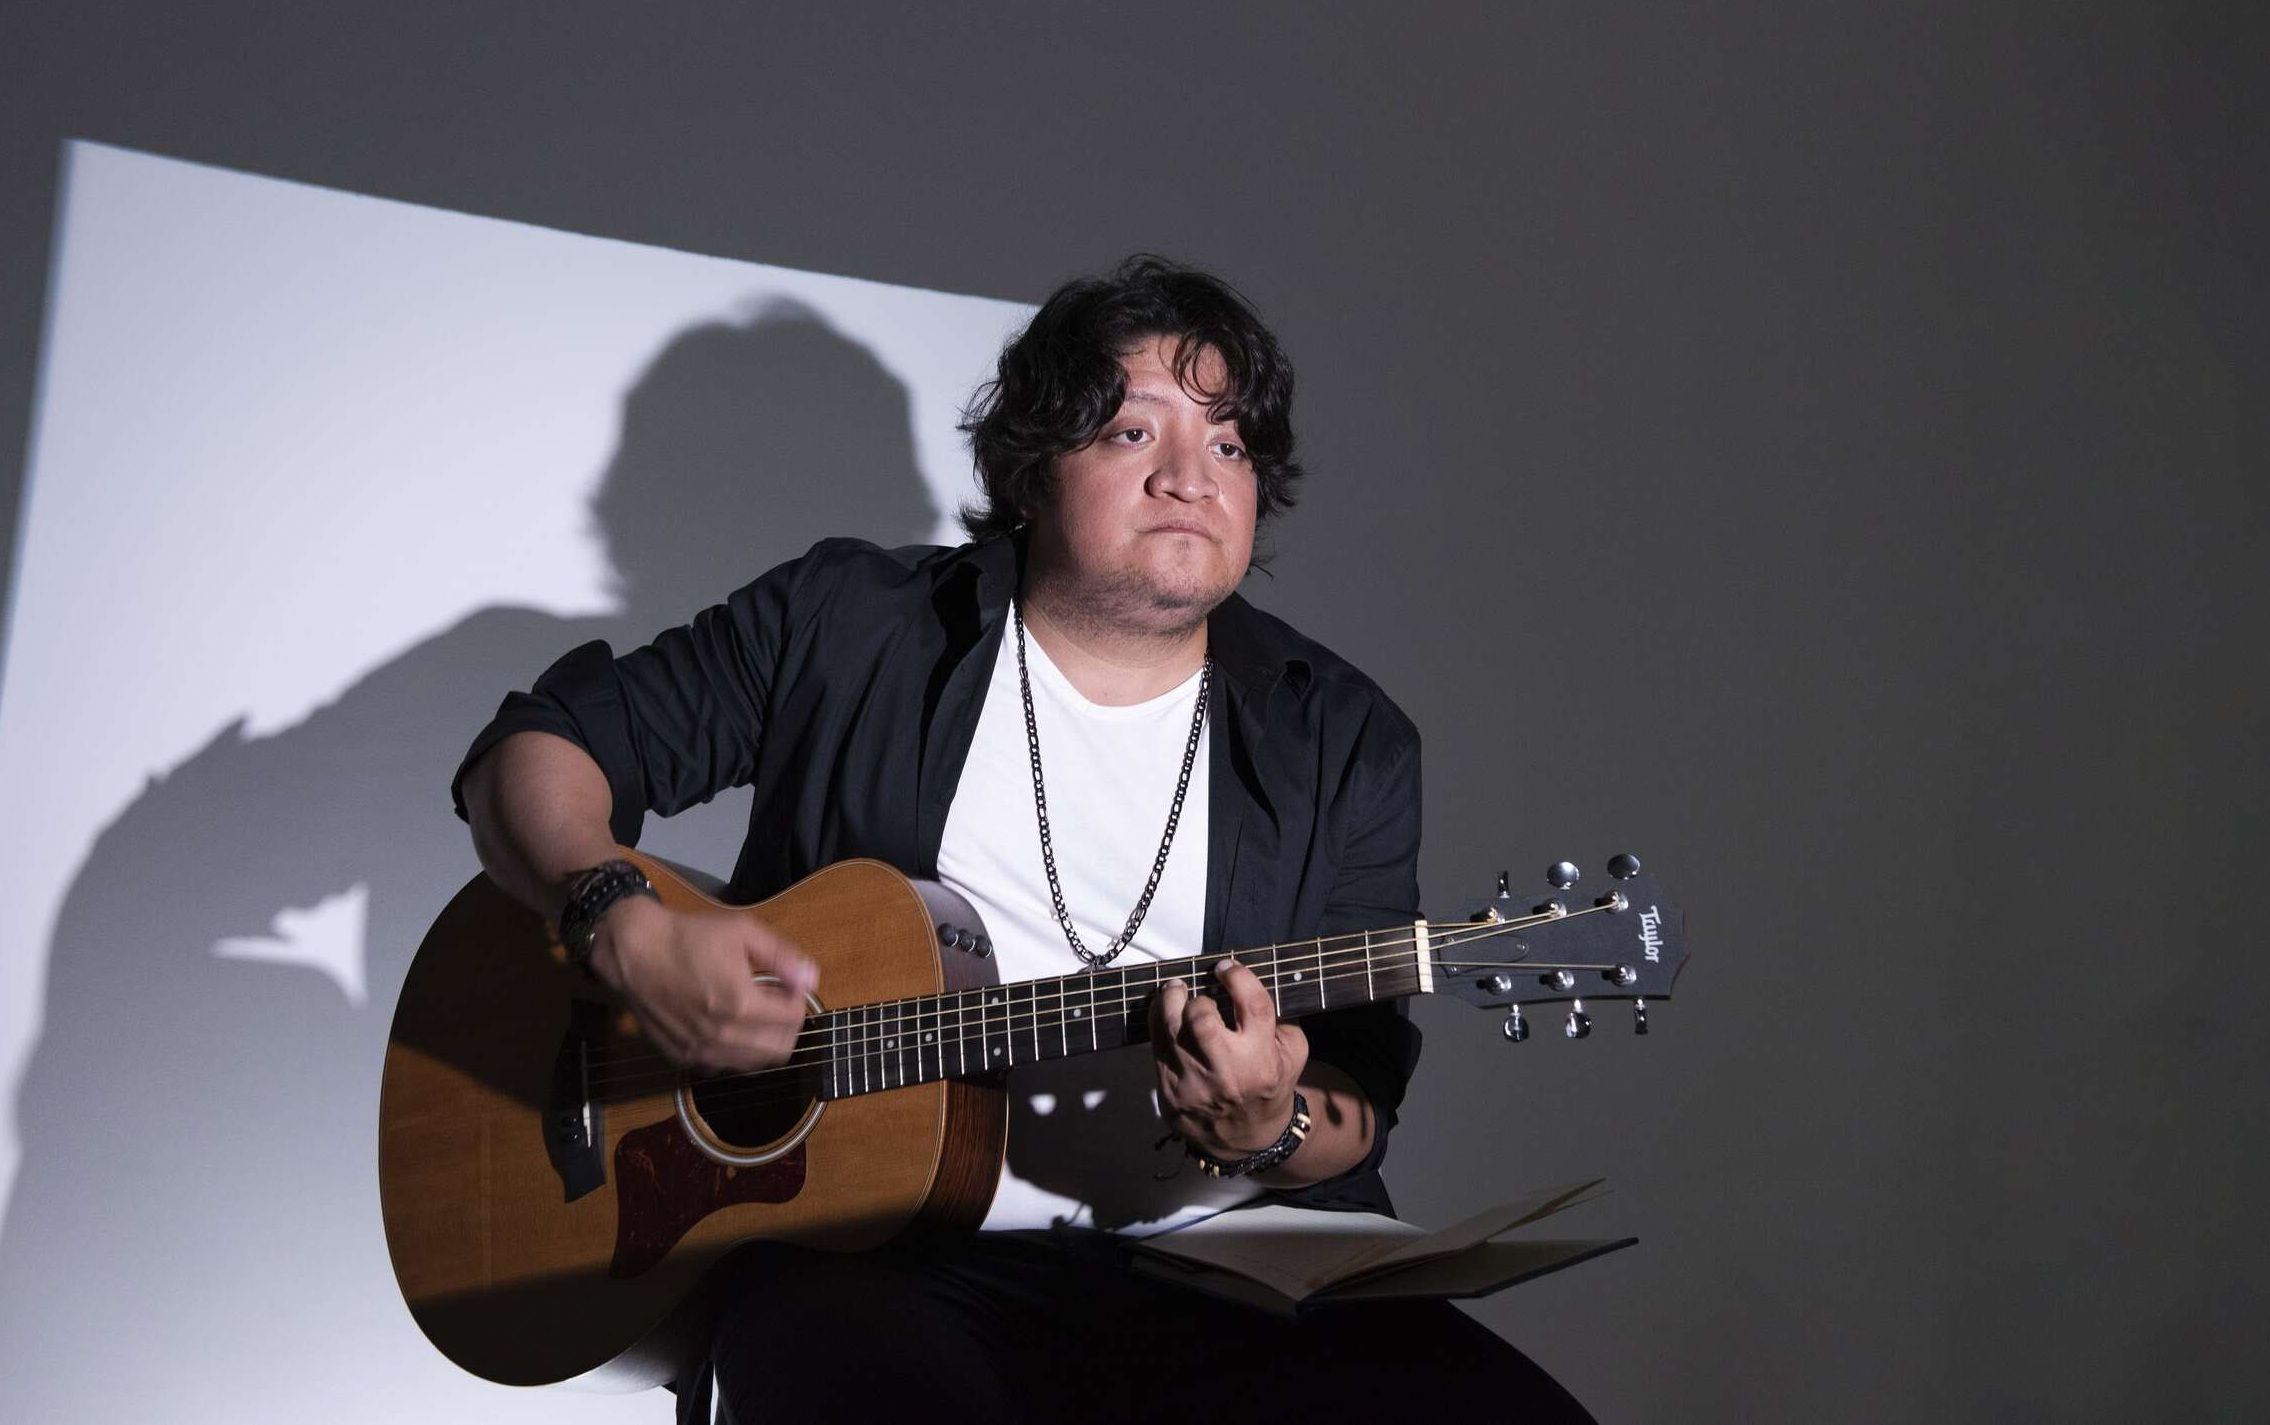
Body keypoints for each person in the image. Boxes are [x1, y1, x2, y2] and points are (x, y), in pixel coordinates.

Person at [454, 256, 1592, 1423]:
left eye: (1228, 444)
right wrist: (621, 924)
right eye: (1132, 433)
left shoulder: (1345, 740)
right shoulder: (849, 624)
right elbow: (537, 753)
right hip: (875, 1261)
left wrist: (1272, 1124)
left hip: (1228, 1272)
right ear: (1032, 465)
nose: (1189, 478)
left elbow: (1353, 1099)